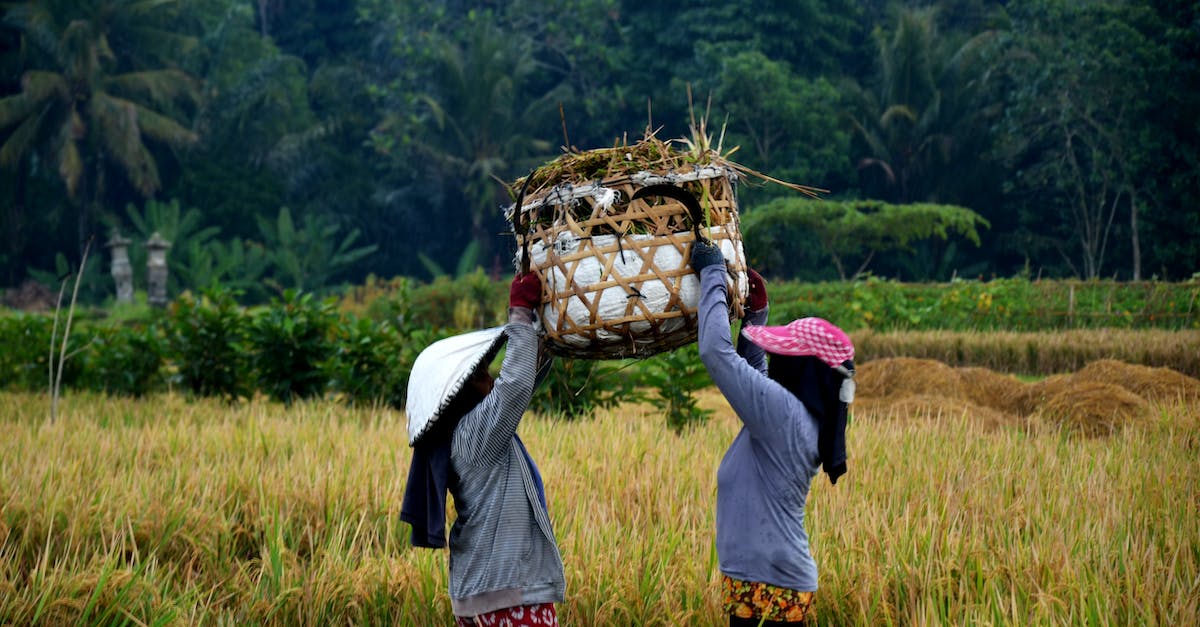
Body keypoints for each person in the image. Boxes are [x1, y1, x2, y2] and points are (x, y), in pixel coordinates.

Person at [691, 240, 856, 626]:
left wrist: (713, 274)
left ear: (804, 371)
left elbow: (716, 354)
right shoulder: (796, 416)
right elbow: (757, 378)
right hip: (764, 581)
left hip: (770, 587)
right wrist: (755, 317)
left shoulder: (783, 415)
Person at [400, 271, 565, 627]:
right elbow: (515, 385)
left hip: (486, 595)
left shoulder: (466, 433)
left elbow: (525, 376)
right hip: (504, 598)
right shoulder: (476, 436)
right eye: (480, 376)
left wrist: (546, 328)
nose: (490, 379)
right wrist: (519, 313)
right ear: (460, 394)